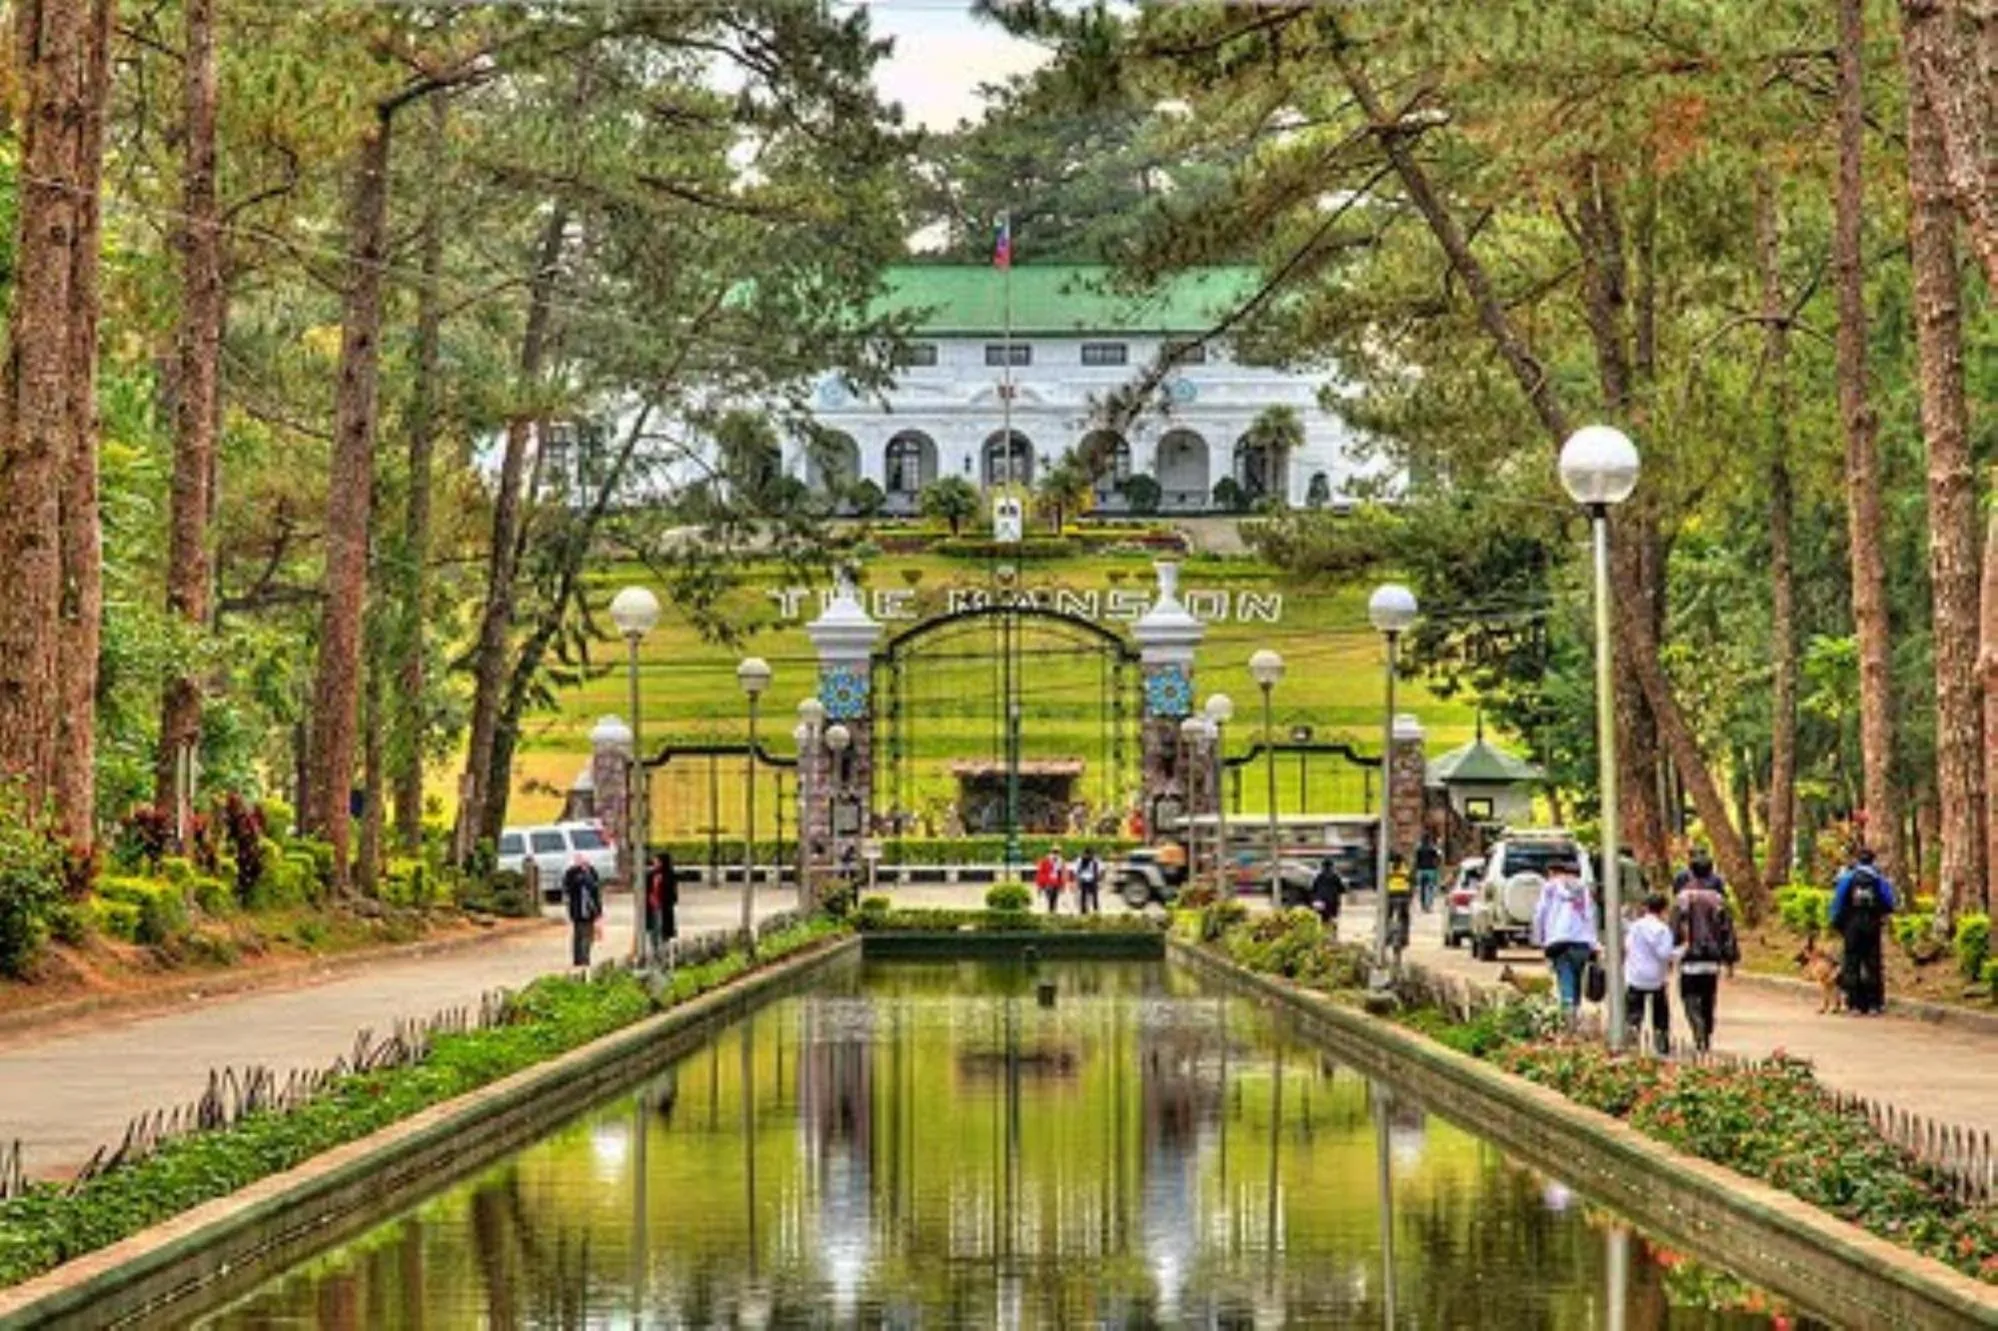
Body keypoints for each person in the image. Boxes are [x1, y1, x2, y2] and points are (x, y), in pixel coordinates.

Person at [1671, 854, 1739, 1051]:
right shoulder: (1719, 900)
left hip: (1689, 956)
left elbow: (1674, 928)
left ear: (1690, 872)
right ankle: (1707, 1030)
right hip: (1712, 958)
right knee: (1709, 996)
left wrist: (1671, 952)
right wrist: (1730, 959)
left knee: (1689, 995)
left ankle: (1697, 1026)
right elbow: (1728, 931)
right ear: (1711, 872)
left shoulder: (1682, 899)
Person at [1830, 845, 1897, 1015]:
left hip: (1852, 926)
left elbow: (1837, 902)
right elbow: (1890, 902)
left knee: (1852, 962)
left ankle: (1854, 1004)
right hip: (1872, 926)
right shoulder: (1879, 879)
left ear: (1858, 860)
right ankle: (1875, 1004)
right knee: (1873, 963)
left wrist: (1836, 923)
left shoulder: (1848, 878)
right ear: (1873, 860)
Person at [1530, 857, 1599, 1017]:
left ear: (1552, 873)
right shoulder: (1584, 889)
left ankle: (1568, 1017)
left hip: (1559, 941)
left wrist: (1539, 939)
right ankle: (1575, 1012)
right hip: (1583, 942)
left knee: (1565, 979)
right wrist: (1594, 943)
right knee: (1577, 980)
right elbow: (1590, 915)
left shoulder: (1550, 887)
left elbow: (1540, 914)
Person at [1623, 893, 1676, 1054]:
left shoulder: (1635, 926)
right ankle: (1661, 1041)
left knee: (1633, 1009)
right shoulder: (1663, 929)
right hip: (1656, 977)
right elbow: (1665, 954)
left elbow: (1628, 946)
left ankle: (1632, 1038)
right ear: (1664, 910)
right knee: (1660, 1009)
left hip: (1636, 976)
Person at [561, 852, 603, 974]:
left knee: (587, 935)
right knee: (579, 934)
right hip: (578, 910)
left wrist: (599, 911)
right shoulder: (571, 873)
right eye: (581, 862)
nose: (584, 865)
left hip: (590, 910)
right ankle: (580, 959)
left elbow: (596, 891)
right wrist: (581, 877)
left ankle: (583, 958)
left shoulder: (592, 872)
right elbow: (568, 888)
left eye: (586, 862)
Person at [646, 849, 678, 963]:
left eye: (657, 861)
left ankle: (664, 955)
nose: (654, 863)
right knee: (653, 931)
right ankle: (654, 953)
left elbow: (673, 894)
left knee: (663, 930)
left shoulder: (669, 875)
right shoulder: (650, 875)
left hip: (663, 907)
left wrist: (664, 900)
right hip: (651, 908)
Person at [1383, 852, 1414, 959]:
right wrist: (1410, 897)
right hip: (1403, 895)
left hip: (1391, 895)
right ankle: (1405, 938)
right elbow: (1411, 883)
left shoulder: (1388, 869)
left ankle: (1386, 936)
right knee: (1405, 918)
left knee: (1387, 916)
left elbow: (1383, 883)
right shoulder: (1406, 869)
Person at [1310, 857, 1346, 930]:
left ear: (1322, 867)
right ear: (1332, 866)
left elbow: (1313, 889)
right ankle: (1333, 932)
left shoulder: (1319, 877)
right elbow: (1342, 889)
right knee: (1333, 917)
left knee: (1323, 918)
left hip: (1321, 901)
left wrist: (1315, 897)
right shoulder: (1335, 877)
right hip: (1333, 901)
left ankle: (1324, 932)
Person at [1413, 831, 1443, 913]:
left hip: (1421, 870)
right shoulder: (1432, 848)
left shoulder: (1418, 849)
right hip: (1431, 870)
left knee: (1422, 889)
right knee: (1430, 888)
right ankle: (1428, 905)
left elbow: (1416, 860)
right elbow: (1438, 857)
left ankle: (1423, 905)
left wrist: (1415, 869)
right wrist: (1437, 864)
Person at [1035, 844, 1068, 914]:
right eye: (1054, 852)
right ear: (1051, 852)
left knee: (1055, 899)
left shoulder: (1061, 861)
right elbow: (1040, 872)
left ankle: (1053, 913)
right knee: (1050, 898)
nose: (1056, 854)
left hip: (1057, 882)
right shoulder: (1046, 860)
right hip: (1048, 882)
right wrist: (1040, 885)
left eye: (1057, 852)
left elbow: (1063, 873)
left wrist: (1063, 885)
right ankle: (1051, 912)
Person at [1074, 846, 1103, 914]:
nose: (1089, 856)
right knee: (1083, 896)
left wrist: (1099, 879)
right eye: (1088, 854)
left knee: (1094, 896)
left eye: (1091, 854)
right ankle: (1083, 911)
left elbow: (1100, 869)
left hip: (1092, 880)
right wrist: (1077, 879)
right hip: (1083, 880)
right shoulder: (1080, 860)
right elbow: (1076, 870)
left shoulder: (1096, 860)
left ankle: (1095, 910)